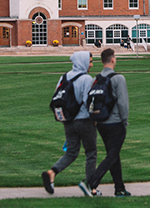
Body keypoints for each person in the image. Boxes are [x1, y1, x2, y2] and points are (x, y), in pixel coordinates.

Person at [42, 51, 97, 195]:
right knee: (91, 153)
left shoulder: (64, 77)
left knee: (72, 152)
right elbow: (88, 101)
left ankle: (52, 172)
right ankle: (91, 186)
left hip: (68, 120)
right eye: (90, 61)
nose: (91, 65)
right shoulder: (86, 78)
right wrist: (96, 118)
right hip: (84, 120)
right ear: (83, 62)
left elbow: (57, 95)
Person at [83, 48, 131, 197]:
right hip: (115, 122)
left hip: (101, 123)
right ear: (113, 59)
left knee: (114, 155)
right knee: (112, 156)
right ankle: (91, 181)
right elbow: (123, 104)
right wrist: (124, 122)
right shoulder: (118, 78)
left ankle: (119, 188)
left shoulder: (95, 79)